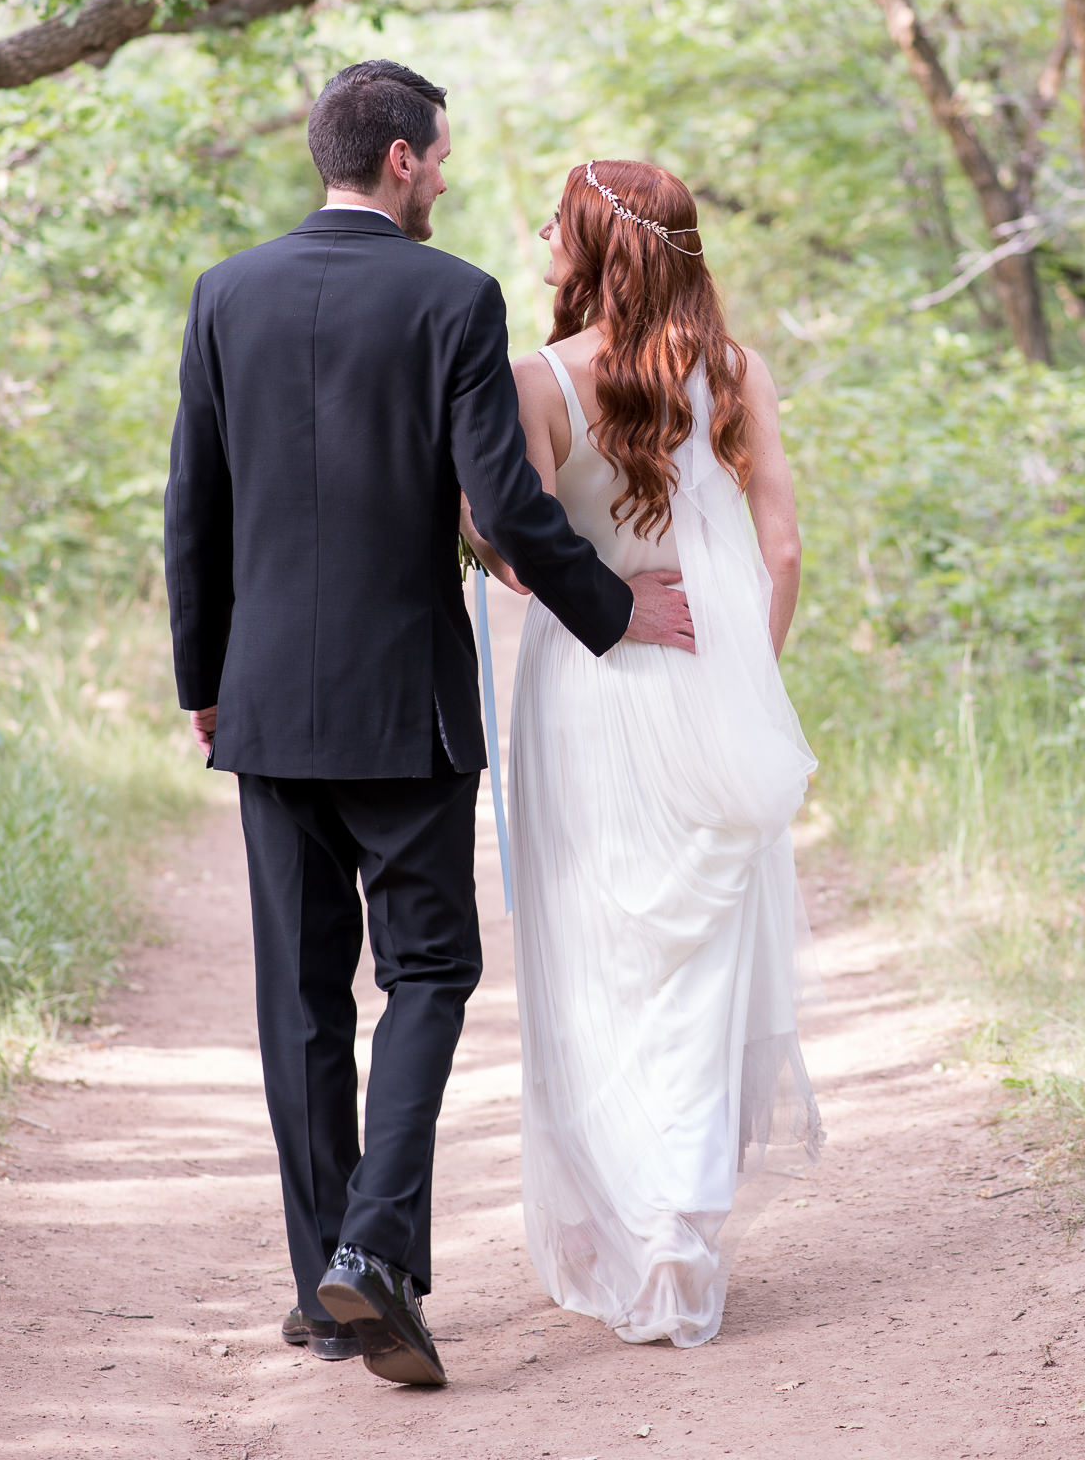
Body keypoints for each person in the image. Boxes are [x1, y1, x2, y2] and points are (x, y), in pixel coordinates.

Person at [163, 64, 694, 1390]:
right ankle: (377, 1257)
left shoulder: (226, 294)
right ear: (400, 158)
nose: (448, 179)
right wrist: (610, 609)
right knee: (428, 976)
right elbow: (507, 506)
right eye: (442, 158)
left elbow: (194, 507)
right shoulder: (453, 297)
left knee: (298, 994)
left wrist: (203, 681)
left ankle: (322, 1282)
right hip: (405, 705)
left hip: (268, 703)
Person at [464, 158, 822, 1349]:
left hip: (591, 680)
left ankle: (626, 1227)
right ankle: (679, 1225)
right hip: (709, 675)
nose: (537, 237)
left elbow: (515, 549)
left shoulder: (537, 378)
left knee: (594, 951)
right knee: (701, 957)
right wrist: (743, 680)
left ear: (596, 242)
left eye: (553, 221)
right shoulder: (736, 370)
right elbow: (780, 552)